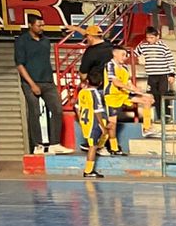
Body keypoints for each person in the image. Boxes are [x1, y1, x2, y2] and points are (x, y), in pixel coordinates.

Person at [14, 17, 70, 155]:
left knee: (57, 110)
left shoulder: (45, 40)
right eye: (39, 25)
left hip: (48, 81)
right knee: (35, 112)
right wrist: (32, 84)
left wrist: (52, 81)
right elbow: (20, 65)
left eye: (43, 25)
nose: (41, 28)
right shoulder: (22, 41)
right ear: (30, 25)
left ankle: (54, 144)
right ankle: (37, 145)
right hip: (30, 83)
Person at [104, 45, 156, 143]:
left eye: (126, 55)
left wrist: (141, 92)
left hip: (124, 94)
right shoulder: (110, 65)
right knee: (112, 124)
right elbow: (116, 82)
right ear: (115, 54)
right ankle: (109, 145)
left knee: (147, 100)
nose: (125, 57)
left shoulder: (124, 68)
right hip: (112, 97)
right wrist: (130, 88)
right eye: (123, 55)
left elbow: (129, 84)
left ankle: (147, 128)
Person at [134, 26, 176, 128]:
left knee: (163, 95)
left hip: (162, 75)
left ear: (157, 37)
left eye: (152, 38)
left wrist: (171, 74)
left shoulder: (163, 46)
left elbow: (170, 60)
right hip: (151, 75)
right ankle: (159, 116)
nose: (149, 40)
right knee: (154, 96)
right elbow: (134, 53)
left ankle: (166, 115)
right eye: (148, 38)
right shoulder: (143, 46)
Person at [76, 66, 107, 178]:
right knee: (93, 147)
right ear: (101, 83)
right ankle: (88, 170)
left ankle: (98, 145)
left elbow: (77, 108)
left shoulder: (82, 92)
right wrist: (102, 126)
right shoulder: (96, 94)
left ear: (88, 81)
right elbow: (97, 111)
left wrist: (80, 120)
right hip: (93, 123)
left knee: (93, 144)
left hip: (85, 122)